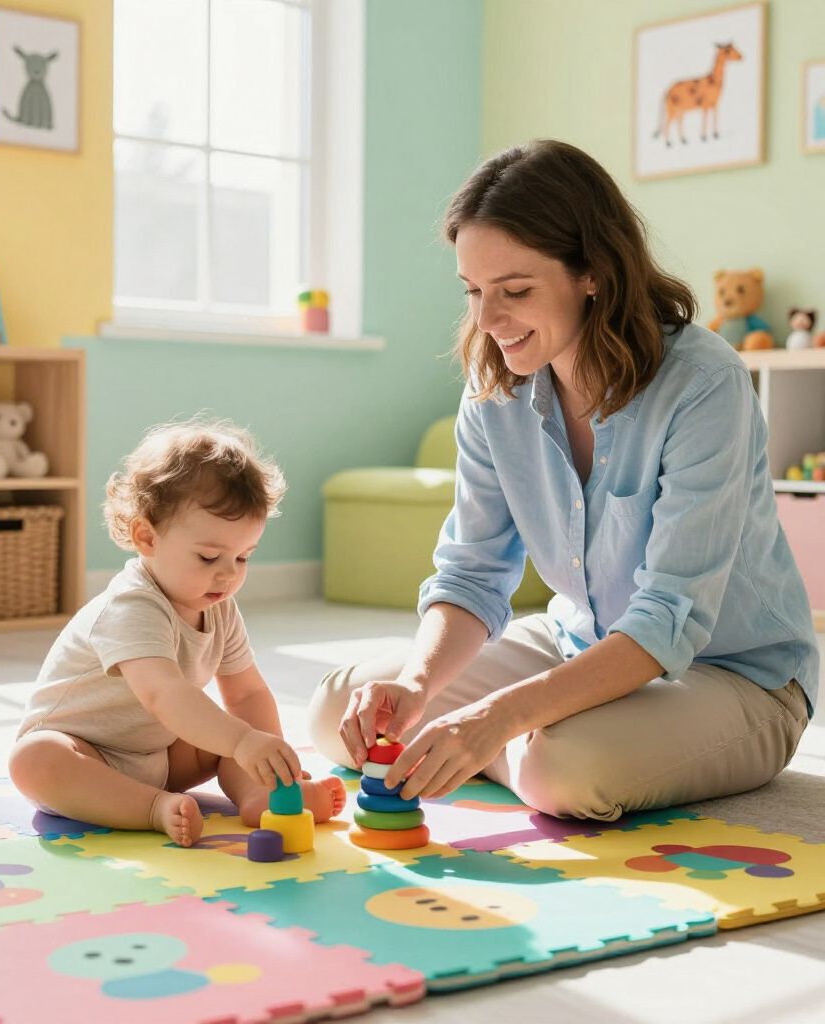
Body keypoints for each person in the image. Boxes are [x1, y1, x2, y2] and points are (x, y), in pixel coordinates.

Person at [308, 139, 817, 820]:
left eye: (515, 291)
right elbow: (471, 575)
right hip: (575, 643)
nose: (488, 322)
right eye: (475, 292)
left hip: (732, 676)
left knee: (563, 768)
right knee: (342, 708)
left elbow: (667, 620)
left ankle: (513, 746)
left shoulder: (704, 384)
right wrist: (419, 683)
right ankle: (505, 741)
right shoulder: (495, 390)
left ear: (593, 273)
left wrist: (492, 718)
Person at [10, 419, 345, 846]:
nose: (227, 575)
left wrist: (267, 757)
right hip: (84, 752)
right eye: (209, 557)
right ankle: (150, 808)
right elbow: (164, 694)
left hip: (160, 755)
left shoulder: (219, 608)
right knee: (33, 760)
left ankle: (260, 795)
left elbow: (246, 695)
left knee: (230, 730)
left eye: (243, 558)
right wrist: (241, 740)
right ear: (146, 537)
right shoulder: (131, 606)